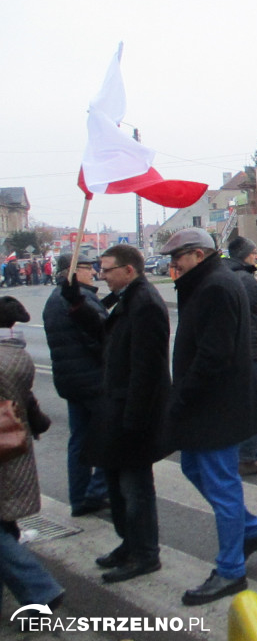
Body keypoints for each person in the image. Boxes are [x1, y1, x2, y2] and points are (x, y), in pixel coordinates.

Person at [160, 228, 257, 605]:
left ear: (197, 255)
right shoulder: (208, 282)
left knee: (223, 488)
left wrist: (181, 398)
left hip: (217, 406)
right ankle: (252, 529)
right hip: (209, 405)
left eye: (178, 259)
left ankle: (230, 570)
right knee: (193, 468)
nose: (173, 267)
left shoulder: (217, 287)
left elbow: (213, 356)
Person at [65, 245, 171, 584]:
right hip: (117, 407)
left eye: (108, 269)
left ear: (129, 270)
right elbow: (105, 334)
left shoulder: (145, 304)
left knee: (134, 487)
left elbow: (147, 369)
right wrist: (77, 304)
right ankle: (129, 543)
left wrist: (135, 420)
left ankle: (145, 553)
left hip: (133, 413)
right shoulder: (128, 299)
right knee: (117, 483)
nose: (101, 274)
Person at [0, 296, 64, 612]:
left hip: (5, 444)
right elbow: (26, 400)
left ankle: (39, 589)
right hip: (13, 445)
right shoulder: (16, 353)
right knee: (4, 521)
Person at [42, 255, 109, 517]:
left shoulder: (53, 299)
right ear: (73, 270)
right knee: (108, 437)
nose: (93, 272)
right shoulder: (79, 298)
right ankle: (96, 491)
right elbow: (98, 337)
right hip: (93, 379)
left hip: (70, 381)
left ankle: (78, 497)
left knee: (79, 440)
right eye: (87, 268)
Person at [225, 237, 257, 476]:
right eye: (253, 252)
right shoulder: (244, 279)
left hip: (236, 349)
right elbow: (245, 316)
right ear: (243, 254)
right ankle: (247, 455)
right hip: (248, 350)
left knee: (240, 399)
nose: (256, 255)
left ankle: (244, 444)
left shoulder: (227, 274)